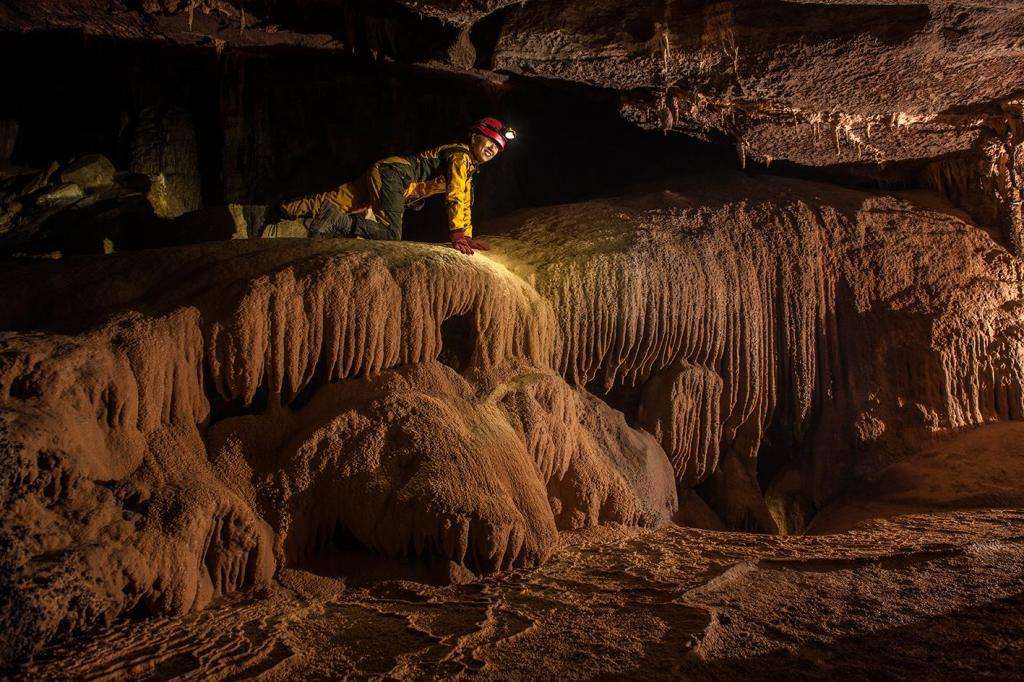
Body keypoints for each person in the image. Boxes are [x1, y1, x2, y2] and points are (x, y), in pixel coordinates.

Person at [271, 117, 515, 255]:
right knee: (389, 234)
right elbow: (455, 196)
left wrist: (468, 235)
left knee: (338, 199)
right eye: (490, 141)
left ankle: (282, 211)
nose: (493, 149)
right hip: (393, 176)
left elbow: (463, 201)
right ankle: (334, 220)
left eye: (498, 147)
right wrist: (458, 234)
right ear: (474, 137)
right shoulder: (460, 157)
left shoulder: (468, 167)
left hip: (386, 173)